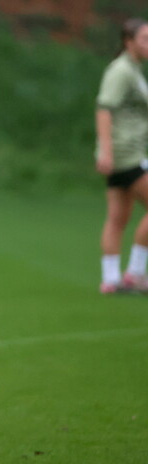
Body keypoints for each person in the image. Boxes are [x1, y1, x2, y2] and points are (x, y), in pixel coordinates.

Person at [95, 17, 148, 294]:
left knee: (117, 217)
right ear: (129, 42)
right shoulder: (121, 71)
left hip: (123, 154)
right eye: (145, 39)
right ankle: (136, 274)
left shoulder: (134, 71)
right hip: (125, 154)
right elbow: (104, 108)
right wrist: (106, 151)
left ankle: (111, 279)